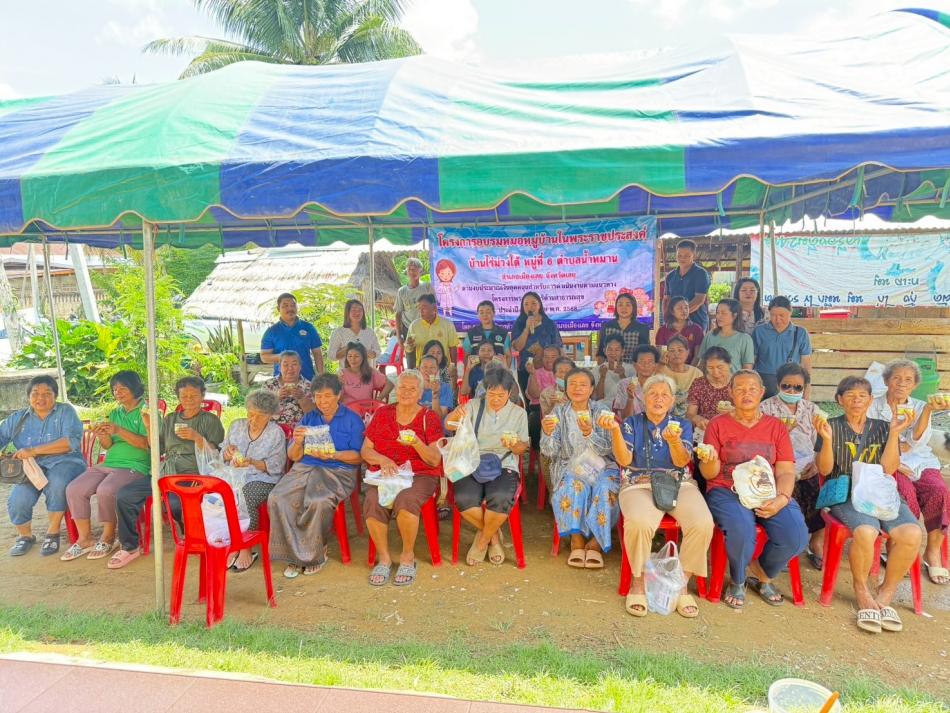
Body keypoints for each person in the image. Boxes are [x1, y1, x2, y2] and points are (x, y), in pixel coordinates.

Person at [815, 376, 921, 633]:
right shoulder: (830, 426)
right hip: (847, 492)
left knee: (911, 533)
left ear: (870, 400)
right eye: (849, 395)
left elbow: (889, 469)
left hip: (880, 493)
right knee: (866, 531)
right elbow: (825, 469)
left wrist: (895, 433)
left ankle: (886, 592)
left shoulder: (884, 427)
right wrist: (827, 441)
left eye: (862, 396)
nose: (856, 401)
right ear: (839, 400)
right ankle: (861, 588)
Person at [698, 370, 809, 609]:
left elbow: (786, 471)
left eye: (751, 389)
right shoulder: (717, 425)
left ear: (761, 392)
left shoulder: (776, 427)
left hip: (767, 490)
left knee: (796, 536)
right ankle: (738, 581)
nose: (746, 394)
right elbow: (709, 473)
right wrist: (708, 458)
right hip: (727, 490)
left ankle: (762, 573)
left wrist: (781, 498)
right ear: (730, 393)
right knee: (741, 529)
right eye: (739, 389)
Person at [611, 374, 714, 618]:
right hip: (638, 483)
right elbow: (624, 460)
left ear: (672, 400)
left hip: (678, 483)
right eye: (653, 394)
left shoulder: (681, 425)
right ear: (643, 397)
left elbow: (681, 461)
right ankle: (638, 583)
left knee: (702, 523)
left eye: (664, 395)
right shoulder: (631, 423)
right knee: (638, 522)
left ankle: (681, 585)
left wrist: (674, 441)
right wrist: (615, 430)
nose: (658, 399)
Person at [109, 377, 225, 569]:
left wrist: (197, 438)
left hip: (194, 472)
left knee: (173, 502)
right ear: (178, 397)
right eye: (184, 395)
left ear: (202, 396)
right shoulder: (171, 419)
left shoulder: (209, 420)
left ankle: (191, 534)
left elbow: (215, 452)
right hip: (168, 471)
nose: (188, 399)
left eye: (194, 395)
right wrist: (148, 427)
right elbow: (156, 448)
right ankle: (130, 546)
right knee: (125, 496)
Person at [268, 374, 365, 578]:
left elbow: (358, 457)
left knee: (318, 500)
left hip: (339, 471)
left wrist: (334, 454)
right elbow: (293, 456)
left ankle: (314, 553)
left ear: (338, 395)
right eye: (318, 397)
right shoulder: (309, 418)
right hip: (305, 468)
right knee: (278, 497)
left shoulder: (352, 419)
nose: (323, 401)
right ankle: (293, 556)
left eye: (328, 396)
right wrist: (298, 441)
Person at [868, 360, 949, 586]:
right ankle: (897, 548)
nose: (901, 384)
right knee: (904, 494)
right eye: (896, 378)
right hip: (887, 461)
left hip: (919, 461)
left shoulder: (921, 406)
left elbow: (916, 442)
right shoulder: (874, 405)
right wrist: (895, 446)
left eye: (908, 380)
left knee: (939, 491)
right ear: (886, 381)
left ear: (914, 386)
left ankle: (931, 552)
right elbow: (871, 439)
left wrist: (928, 412)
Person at [361, 370, 444, 587]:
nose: (406, 392)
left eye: (412, 388)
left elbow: (435, 460)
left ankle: (407, 556)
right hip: (386, 474)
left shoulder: (429, 418)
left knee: (406, 500)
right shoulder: (383, 414)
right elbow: (365, 451)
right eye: (402, 387)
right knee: (372, 500)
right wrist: (383, 460)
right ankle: (385, 558)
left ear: (420, 392)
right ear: (395, 390)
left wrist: (416, 442)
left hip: (420, 474)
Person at [62, 371, 149, 562]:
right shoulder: (116, 412)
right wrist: (103, 434)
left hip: (136, 465)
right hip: (109, 463)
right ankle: (84, 539)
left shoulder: (146, 411)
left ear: (135, 388)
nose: (117, 392)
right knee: (75, 488)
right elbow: (108, 445)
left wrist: (118, 430)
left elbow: (146, 444)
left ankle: (109, 536)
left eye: (122, 388)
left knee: (106, 490)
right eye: (114, 389)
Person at [445, 369, 529, 565]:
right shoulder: (474, 406)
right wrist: (455, 414)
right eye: (491, 394)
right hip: (472, 460)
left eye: (501, 395)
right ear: (485, 390)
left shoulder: (519, 413)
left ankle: (481, 541)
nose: (496, 399)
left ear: (510, 393)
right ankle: (492, 536)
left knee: (499, 497)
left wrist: (513, 445)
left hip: (504, 462)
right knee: (464, 498)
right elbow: (449, 425)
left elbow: (521, 449)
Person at [540, 368, 621, 569]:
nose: (577, 389)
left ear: (592, 388)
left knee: (605, 488)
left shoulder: (601, 411)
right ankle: (576, 539)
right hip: (570, 465)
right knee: (573, 485)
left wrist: (589, 433)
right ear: (565, 389)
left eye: (583, 384)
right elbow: (549, 451)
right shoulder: (558, 412)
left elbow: (608, 448)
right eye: (572, 384)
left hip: (602, 465)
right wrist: (547, 433)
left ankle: (596, 543)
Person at [3, 375, 86, 557]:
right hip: (32, 468)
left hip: (66, 461)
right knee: (18, 499)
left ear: (55, 396)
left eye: (47, 393)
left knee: (57, 483)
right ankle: (25, 536)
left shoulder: (65, 412)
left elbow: (69, 443)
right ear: (28, 397)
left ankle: (53, 532)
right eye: (35, 394)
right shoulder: (18, 418)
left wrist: (33, 450)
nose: (40, 398)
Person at [759, 363, 824, 569]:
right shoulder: (765, 408)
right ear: (778, 385)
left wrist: (816, 462)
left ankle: (814, 542)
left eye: (798, 388)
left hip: (807, 463)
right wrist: (782, 433)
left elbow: (821, 440)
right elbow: (760, 444)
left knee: (819, 491)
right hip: (776, 463)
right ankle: (784, 543)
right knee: (787, 490)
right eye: (787, 386)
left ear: (805, 388)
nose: (792, 391)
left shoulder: (812, 409)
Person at [220, 389, 287, 572]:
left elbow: (277, 465)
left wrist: (253, 463)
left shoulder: (276, 433)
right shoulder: (236, 426)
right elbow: (223, 453)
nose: (253, 420)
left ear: (271, 416)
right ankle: (230, 541)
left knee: (246, 496)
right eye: (250, 414)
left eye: (260, 416)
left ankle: (246, 547)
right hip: (234, 476)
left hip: (263, 478)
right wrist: (227, 454)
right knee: (218, 495)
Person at [752, 296, 812, 398]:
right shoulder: (759, 331)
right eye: (773, 315)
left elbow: (806, 363)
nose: (777, 319)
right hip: (763, 381)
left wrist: (807, 387)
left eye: (782, 315)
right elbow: (752, 359)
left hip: (790, 382)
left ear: (790, 313)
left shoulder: (801, 333)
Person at [260, 293, 324, 380]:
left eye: (293, 305)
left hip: (307, 378)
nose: (290, 308)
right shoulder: (271, 331)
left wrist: (321, 376)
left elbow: (317, 353)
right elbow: (264, 357)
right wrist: (283, 357)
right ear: (278, 309)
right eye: (285, 306)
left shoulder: (308, 327)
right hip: (281, 381)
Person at [510, 291, 562, 395]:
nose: (530, 307)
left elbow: (558, 347)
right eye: (526, 304)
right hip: (526, 370)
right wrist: (526, 329)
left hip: (548, 370)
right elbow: (517, 347)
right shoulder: (519, 324)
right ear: (522, 307)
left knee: (550, 399)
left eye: (534, 303)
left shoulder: (549, 324)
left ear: (539, 305)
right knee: (530, 404)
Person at [686, 347, 734, 441]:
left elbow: (748, 413)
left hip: (731, 433)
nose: (715, 373)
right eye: (710, 368)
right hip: (704, 432)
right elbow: (690, 414)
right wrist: (698, 419)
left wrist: (733, 411)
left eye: (720, 367)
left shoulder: (737, 383)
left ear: (729, 364)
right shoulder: (699, 384)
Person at [395, 257, 435, 369]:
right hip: (408, 330)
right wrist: (399, 337)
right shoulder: (402, 291)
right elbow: (398, 314)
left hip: (427, 328)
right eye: (410, 269)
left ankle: (431, 384)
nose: (412, 272)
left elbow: (435, 307)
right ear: (406, 272)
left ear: (420, 271)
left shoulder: (427, 287)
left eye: (415, 269)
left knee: (430, 358)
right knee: (411, 363)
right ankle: (413, 384)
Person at [662, 240, 711, 332]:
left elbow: (699, 300)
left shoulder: (700, 273)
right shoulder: (670, 276)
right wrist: (668, 317)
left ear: (694, 255)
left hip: (697, 321)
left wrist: (680, 314)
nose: (682, 258)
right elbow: (666, 299)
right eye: (679, 255)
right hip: (674, 323)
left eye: (686, 256)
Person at [696, 299, 754, 374]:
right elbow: (702, 363)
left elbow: (747, 369)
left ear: (735, 315)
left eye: (724, 313)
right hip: (709, 383)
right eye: (717, 312)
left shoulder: (745, 339)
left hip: (733, 383)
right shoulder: (710, 335)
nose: (719, 316)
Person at [261, 351, 314, 427]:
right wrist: (276, 397)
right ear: (279, 367)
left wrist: (302, 398)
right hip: (273, 431)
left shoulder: (309, 386)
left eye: (294, 364)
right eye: (285, 365)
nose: (290, 368)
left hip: (299, 431)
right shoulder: (269, 384)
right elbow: (260, 411)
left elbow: (313, 414)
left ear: (300, 367)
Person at [406, 294, 458, 370]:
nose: (420, 311)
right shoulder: (414, 326)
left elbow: (453, 347)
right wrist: (409, 345)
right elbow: (409, 349)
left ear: (434, 308)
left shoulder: (447, 324)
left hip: (442, 369)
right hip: (423, 369)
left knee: (443, 382)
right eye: (419, 308)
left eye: (424, 307)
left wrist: (453, 367)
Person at [595, 293, 649, 364]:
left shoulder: (642, 328)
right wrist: (602, 372)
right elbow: (601, 354)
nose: (624, 308)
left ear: (634, 307)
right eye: (620, 305)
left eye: (628, 305)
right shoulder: (606, 326)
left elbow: (644, 355)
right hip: (609, 370)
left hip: (632, 371)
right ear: (616, 307)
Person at [326, 299, 381, 370]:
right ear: (347, 312)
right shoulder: (339, 332)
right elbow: (331, 356)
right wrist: (348, 348)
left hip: (366, 375)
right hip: (346, 376)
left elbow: (377, 352)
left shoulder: (369, 332)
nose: (357, 313)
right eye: (354, 310)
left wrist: (364, 351)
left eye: (360, 310)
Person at [658, 335, 702, 418]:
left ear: (688, 352)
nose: (676, 354)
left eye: (680, 350)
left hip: (690, 419)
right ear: (666, 353)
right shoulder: (660, 370)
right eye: (672, 351)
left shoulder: (697, 373)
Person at [526, 345, 560, 447]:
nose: (549, 360)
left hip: (560, 405)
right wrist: (532, 374)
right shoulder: (536, 372)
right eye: (546, 356)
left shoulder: (563, 372)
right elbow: (535, 395)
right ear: (542, 358)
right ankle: (539, 449)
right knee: (535, 418)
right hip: (539, 407)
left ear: (559, 357)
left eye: (553, 357)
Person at [613, 345, 660, 419]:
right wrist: (630, 399)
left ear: (656, 366)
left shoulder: (661, 385)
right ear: (635, 365)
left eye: (650, 362)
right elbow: (624, 418)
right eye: (642, 362)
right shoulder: (623, 384)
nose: (646, 365)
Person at [655, 295, 704, 364]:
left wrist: (689, 371)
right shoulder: (663, 330)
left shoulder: (696, 329)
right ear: (672, 311)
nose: (684, 311)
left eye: (686, 307)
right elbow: (662, 356)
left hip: (690, 369)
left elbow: (697, 356)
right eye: (679, 308)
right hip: (669, 369)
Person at [593, 335, 635, 403]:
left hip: (624, 408)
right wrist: (602, 377)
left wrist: (622, 375)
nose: (613, 353)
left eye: (617, 350)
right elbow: (598, 398)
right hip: (603, 409)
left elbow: (631, 395)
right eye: (610, 349)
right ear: (604, 351)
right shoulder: (596, 370)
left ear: (622, 352)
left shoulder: (631, 369)